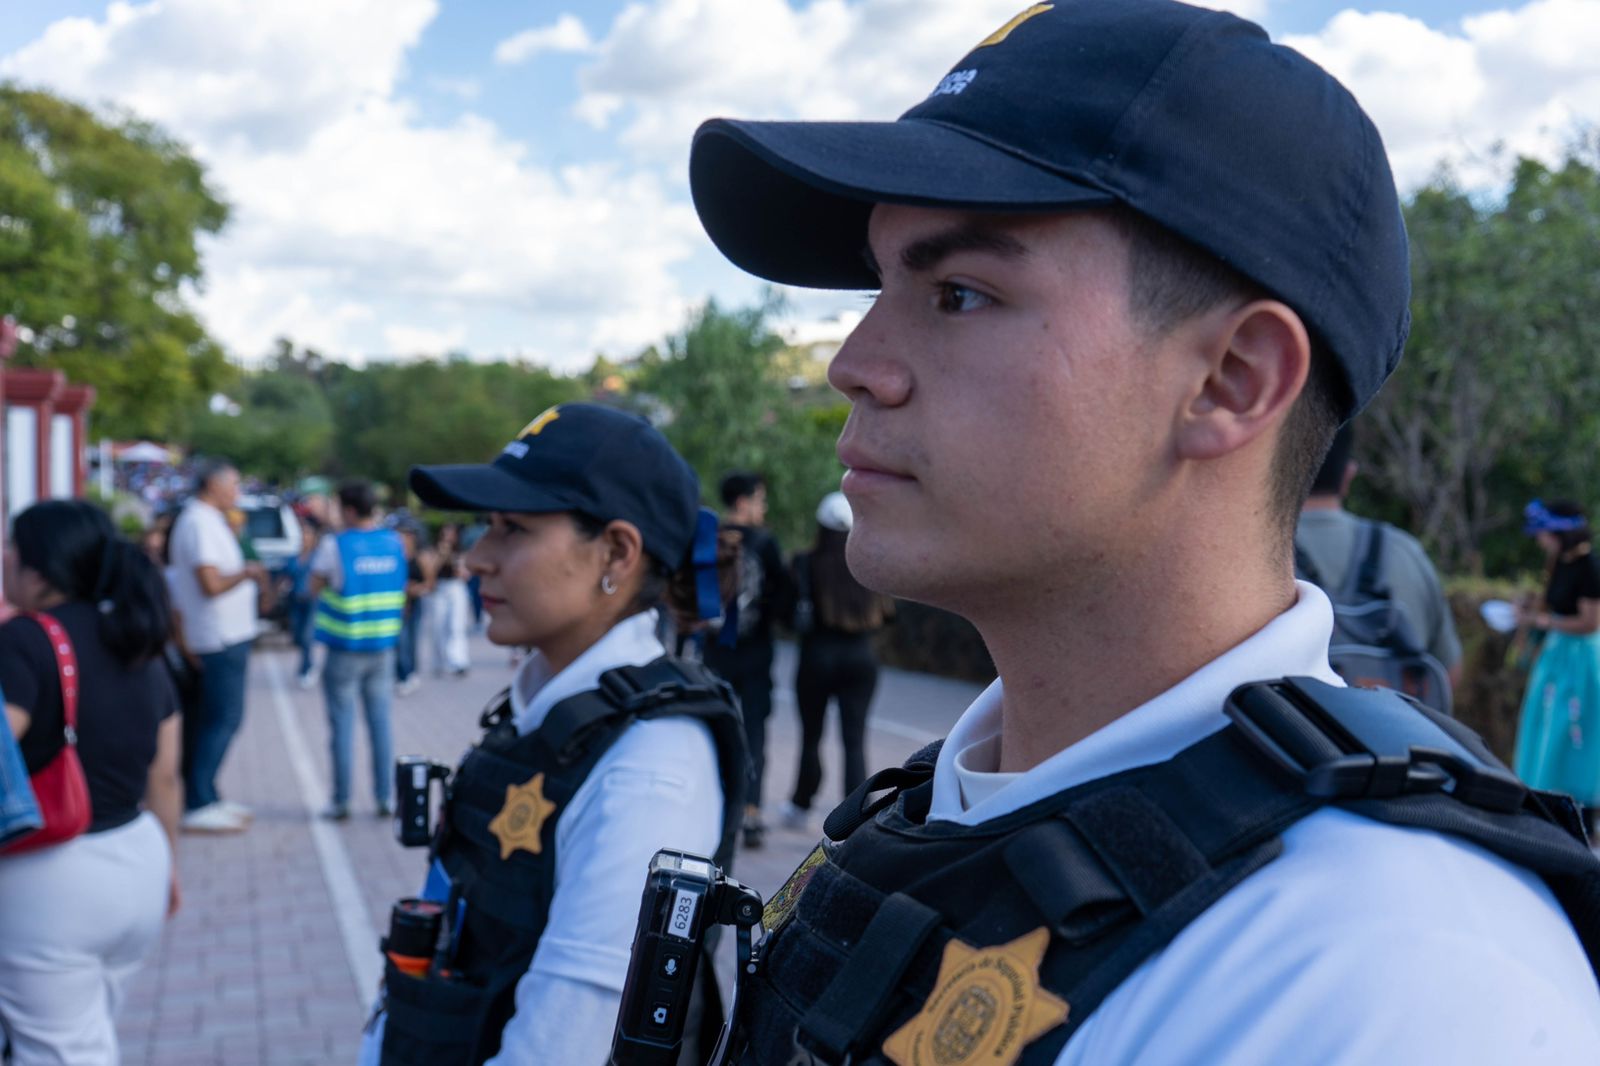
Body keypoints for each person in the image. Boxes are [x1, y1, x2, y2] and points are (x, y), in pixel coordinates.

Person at [685, 2, 1600, 1062]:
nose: (855, 361)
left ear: (1230, 381)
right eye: (882, 283)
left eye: (960, 292)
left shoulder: (1394, 981)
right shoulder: (951, 809)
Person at [362, 403, 748, 1066]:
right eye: (487, 525)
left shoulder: (650, 766)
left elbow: (562, 1048)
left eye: (513, 529)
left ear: (617, 553)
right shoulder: (551, 706)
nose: (477, 559)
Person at [0, 500, 182, 1064]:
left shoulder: (25, 642)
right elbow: (166, 776)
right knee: (87, 1035)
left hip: (52, 882)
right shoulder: (135, 638)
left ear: (37, 567)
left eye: (10, 547)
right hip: (140, 864)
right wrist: (170, 868)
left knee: (62, 1052)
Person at [1295, 422, 1462, 706]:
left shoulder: (1253, 554)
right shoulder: (1406, 551)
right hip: (1398, 745)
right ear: (1348, 475)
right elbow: (1448, 672)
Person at [783, 491, 893, 829]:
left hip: (817, 655)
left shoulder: (805, 562)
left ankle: (801, 803)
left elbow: (787, 615)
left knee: (811, 735)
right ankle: (856, 817)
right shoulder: (870, 563)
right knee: (854, 739)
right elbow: (890, 614)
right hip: (862, 657)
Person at [167, 460, 263, 833]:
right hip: (218, 637)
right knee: (222, 719)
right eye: (234, 484)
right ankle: (199, 799)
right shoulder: (199, 522)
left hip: (224, 634)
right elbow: (210, 584)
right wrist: (248, 572)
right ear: (213, 484)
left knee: (212, 719)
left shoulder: (206, 520)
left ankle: (205, 793)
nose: (237, 492)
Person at [703, 471, 790, 848]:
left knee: (712, 726)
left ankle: (712, 803)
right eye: (759, 499)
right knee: (754, 729)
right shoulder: (766, 543)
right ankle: (751, 811)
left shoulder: (708, 537)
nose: (763, 507)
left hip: (713, 651)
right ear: (743, 501)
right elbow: (786, 597)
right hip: (756, 653)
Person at [311, 481, 407, 820]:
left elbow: (312, 587)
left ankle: (341, 801)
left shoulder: (335, 545)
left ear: (349, 510)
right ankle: (385, 798)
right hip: (383, 646)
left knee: (342, 726)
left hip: (345, 649)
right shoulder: (394, 542)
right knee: (380, 724)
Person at [1515, 500, 1600, 830]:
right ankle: (1542, 802)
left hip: (1579, 661)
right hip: (1555, 658)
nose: (1540, 540)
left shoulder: (1589, 567)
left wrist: (1545, 620)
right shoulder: (1557, 563)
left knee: (1572, 731)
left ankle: (1579, 812)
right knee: (1545, 727)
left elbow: (1591, 622)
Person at [426, 522, 472, 677]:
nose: (448, 537)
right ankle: (438, 662)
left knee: (456, 625)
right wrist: (440, 555)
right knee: (438, 627)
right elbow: (429, 571)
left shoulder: (460, 551)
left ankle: (458, 661)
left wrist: (458, 565)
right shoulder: (435, 550)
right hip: (439, 588)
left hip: (455, 587)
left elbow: (466, 574)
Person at [394, 519, 432, 696]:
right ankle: (401, 674)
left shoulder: (420, 557)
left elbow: (429, 583)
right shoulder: (394, 555)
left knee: (411, 640)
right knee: (399, 642)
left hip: (414, 604)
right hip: (397, 604)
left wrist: (414, 589)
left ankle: (410, 674)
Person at [286, 518, 323, 687]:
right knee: (298, 635)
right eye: (303, 534)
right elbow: (286, 575)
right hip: (296, 600)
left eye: (308, 534)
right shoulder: (295, 556)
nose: (305, 537)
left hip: (312, 601)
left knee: (308, 637)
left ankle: (306, 668)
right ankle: (305, 665)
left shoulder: (319, 556)